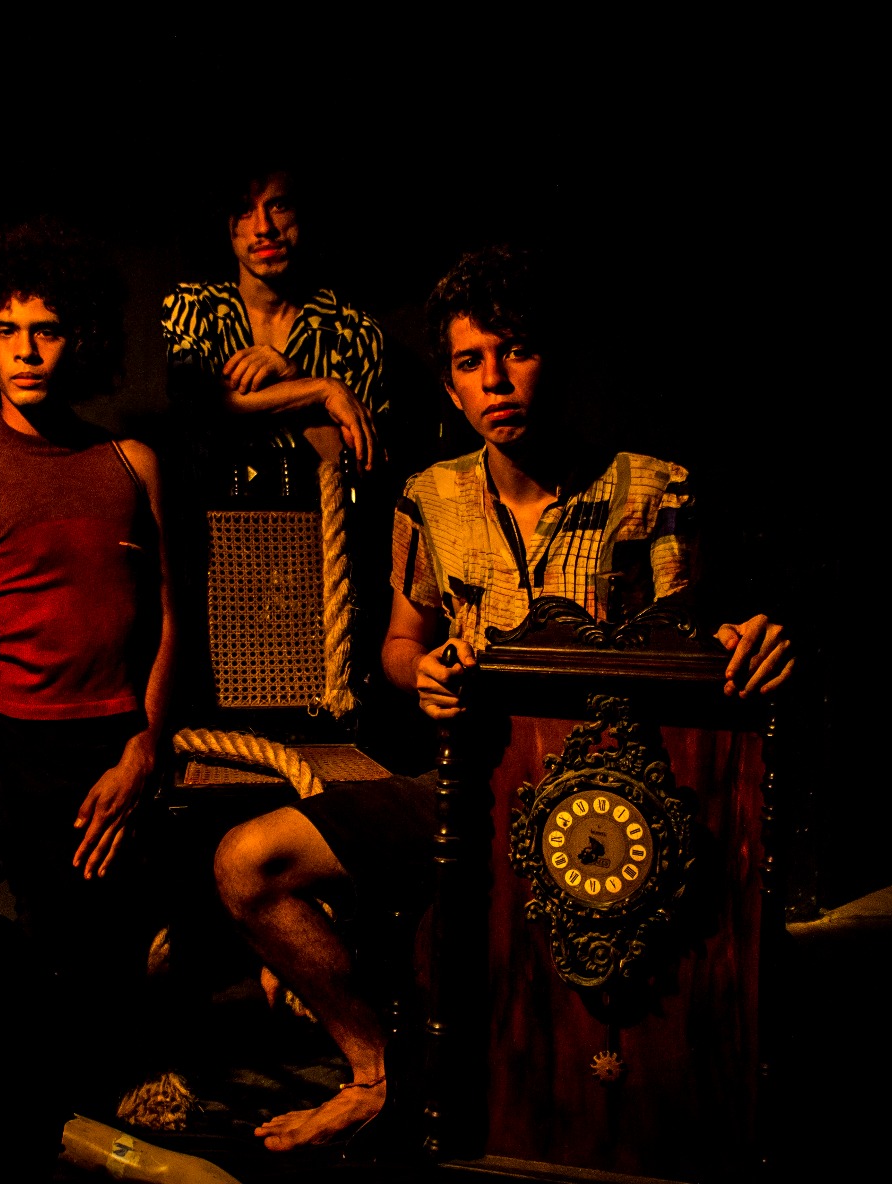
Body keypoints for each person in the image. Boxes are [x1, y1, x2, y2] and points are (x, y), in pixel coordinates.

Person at [211, 243, 796, 1152]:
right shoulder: (430, 497)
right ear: (450, 387)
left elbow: (691, 653)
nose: (495, 379)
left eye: (516, 351)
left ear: (554, 359)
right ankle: (374, 1073)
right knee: (249, 862)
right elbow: (399, 646)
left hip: (606, 804)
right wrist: (427, 673)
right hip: (473, 787)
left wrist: (744, 644)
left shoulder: (651, 488)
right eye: (470, 361)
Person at [0, 219, 177, 1115]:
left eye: (47, 329)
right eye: (6, 329)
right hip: (7, 750)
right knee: (24, 971)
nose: (26, 350)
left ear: (81, 337)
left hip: (118, 746)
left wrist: (145, 747)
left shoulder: (132, 465)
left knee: (130, 960)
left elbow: (170, 621)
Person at [160, 161, 384, 478]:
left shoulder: (351, 332)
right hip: (210, 507)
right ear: (224, 221)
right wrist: (321, 390)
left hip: (322, 508)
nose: (263, 227)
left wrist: (293, 376)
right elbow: (199, 404)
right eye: (244, 210)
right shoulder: (195, 308)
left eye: (279, 206)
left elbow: (360, 469)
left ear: (303, 212)